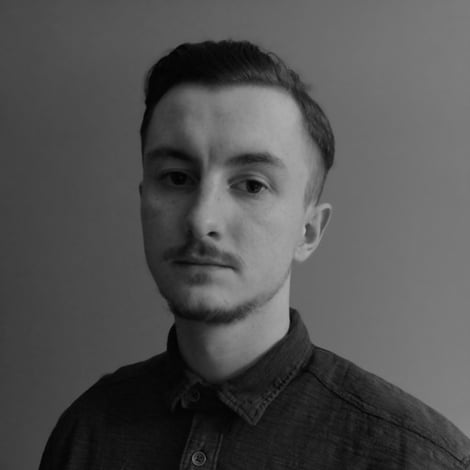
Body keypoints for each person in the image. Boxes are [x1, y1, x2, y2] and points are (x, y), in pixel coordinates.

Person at [39, 40, 470, 469]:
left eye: (251, 185)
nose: (202, 219)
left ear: (309, 231)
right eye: (176, 178)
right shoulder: (87, 431)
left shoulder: (416, 458)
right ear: (142, 201)